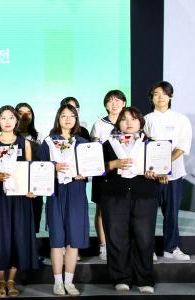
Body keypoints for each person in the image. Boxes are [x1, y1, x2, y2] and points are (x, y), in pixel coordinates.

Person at [102, 106, 166, 294]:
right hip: (114, 195)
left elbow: (162, 170)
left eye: (133, 119)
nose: (129, 122)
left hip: (144, 194)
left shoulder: (153, 144)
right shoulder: (107, 144)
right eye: (124, 119)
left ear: (140, 122)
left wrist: (157, 173)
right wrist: (113, 164)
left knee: (144, 237)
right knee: (116, 236)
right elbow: (96, 170)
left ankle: (144, 278)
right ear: (118, 123)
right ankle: (120, 277)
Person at [0, 105, 38, 298]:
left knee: (16, 235)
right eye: (3, 118)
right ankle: (0, 280)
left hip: (19, 198)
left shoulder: (24, 143)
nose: (7, 121)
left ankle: (12, 280)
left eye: (11, 117)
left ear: (16, 121)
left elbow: (30, 170)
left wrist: (31, 189)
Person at [38, 104, 90, 296]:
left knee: (74, 239)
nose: (68, 119)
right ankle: (58, 282)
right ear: (57, 119)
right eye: (63, 116)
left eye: (72, 116)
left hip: (76, 192)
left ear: (76, 119)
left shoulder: (83, 142)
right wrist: (54, 167)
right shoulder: (48, 142)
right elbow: (39, 167)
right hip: (56, 192)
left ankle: (70, 282)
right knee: (57, 239)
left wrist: (84, 173)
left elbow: (92, 169)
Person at [144, 81, 192, 261]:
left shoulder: (181, 120)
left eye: (164, 93)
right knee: (147, 213)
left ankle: (171, 248)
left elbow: (182, 147)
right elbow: (145, 148)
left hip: (175, 174)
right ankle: (147, 249)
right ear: (152, 98)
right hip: (150, 175)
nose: (160, 96)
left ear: (170, 96)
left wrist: (165, 167)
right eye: (156, 93)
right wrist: (157, 171)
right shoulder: (146, 120)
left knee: (171, 212)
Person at [89, 90, 127, 261]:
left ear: (124, 103)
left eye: (118, 100)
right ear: (105, 105)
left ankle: (122, 244)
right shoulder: (99, 124)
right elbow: (93, 150)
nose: (114, 104)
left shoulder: (129, 122)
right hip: (103, 171)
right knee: (102, 210)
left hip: (126, 171)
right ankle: (103, 246)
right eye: (110, 101)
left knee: (125, 210)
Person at [15, 103, 43, 236]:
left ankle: (32, 252)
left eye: (29, 113)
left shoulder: (39, 137)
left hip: (34, 185)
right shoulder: (9, 136)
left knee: (33, 219)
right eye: (21, 113)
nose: (25, 116)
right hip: (15, 185)